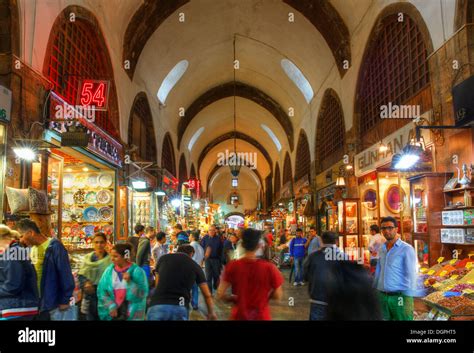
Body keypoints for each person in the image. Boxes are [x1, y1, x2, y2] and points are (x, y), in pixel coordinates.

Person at [217, 228, 283, 320]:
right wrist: (265, 297)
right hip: (261, 316)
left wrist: (233, 299)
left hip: (239, 316)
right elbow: (278, 295)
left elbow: (220, 293)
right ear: (259, 245)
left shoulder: (233, 266)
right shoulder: (270, 268)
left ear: (242, 244)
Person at [17, 219, 75, 321]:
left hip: (50, 304)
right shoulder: (31, 248)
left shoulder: (55, 247)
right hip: (35, 303)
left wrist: (65, 300)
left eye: (22, 235)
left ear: (31, 233)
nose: (21, 240)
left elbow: (65, 274)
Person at [147, 245, 217, 320]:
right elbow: (207, 294)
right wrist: (211, 313)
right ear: (191, 254)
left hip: (157, 304)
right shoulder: (194, 265)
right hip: (180, 305)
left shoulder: (163, 259)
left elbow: (157, 284)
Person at [373, 217, 417, 321]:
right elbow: (379, 270)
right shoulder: (382, 248)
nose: (386, 231)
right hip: (382, 296)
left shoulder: (406, 249)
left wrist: (409, 299)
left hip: (400, 297)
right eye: (383, 228)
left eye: (390, 228)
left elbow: (412, 274)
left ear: (396, 229)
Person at [304, 231, 349, 320]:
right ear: (336, 241)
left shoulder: (313, 257)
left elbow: (306, 276)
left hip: (317, 301)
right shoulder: (343, 256)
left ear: (322, 241)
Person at [97, 243, 148, 320]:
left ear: (125, 257)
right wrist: (111, 305)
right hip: (113, 315)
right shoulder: (108, 271)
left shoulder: (137, 272)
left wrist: (130, 282)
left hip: (132, 315)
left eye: (115, 256)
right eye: (111, 256)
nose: (112, 259)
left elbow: (142, 294)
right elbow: (102, 291)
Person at [0, 225, 39, 320]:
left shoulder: (13, 253)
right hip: (17, 305)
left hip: (17, 306)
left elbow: (13, 285)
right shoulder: (13, 251)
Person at [78, 233, 112, 320]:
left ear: (105, 243)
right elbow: (81, 275)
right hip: (90, 297)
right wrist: (86, 283)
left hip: (105, 298)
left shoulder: (110, 260)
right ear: (93, 243)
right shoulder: (88, 258)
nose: (99, 245)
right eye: (96, 242)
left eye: (101, 242)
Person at [201, 225, 223, 293]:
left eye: (213, 230)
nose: (211, 232)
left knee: (216, 275)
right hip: (207, 260)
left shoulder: (218, 238)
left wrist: (221, 261)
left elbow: (221, 250)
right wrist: (204, 255)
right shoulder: (205, 238)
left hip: (216, 260)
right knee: (208, 276)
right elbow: (202, 247)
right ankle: (209, 292)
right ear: (208, 231)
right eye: (210, 230)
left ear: (215, 231)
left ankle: (216, 286)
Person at [190, 232, 205, 310]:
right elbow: (202, 259)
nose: (189, 237)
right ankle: (195, 304)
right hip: (198, 269)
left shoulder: (191, 245)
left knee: (187, 287)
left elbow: (189, 258)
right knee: (195, 287)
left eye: (190, 236)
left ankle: (183, 302)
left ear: (192, 237)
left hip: (191, 269)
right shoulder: (200, 247)